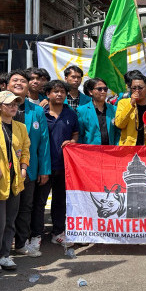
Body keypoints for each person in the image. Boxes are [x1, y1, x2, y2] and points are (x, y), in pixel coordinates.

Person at [0, 69, 50, 258]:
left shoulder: (36, 110)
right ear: (7, 85)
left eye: (23, 80)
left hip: (27, 168)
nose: (20, 83)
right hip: (0, 171)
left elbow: (43, 141)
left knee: (25, 208)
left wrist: (44, 169)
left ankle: (21, 243)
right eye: (15, 80)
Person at [0, 91, 30, 273]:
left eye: (16, 104)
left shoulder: (21, 127)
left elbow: (25, 149)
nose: (13, 107)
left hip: (15, 180)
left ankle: (5, 255)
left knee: (11, 220)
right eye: (9, 104)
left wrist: (24, 167)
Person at [43, 80, 79, 245]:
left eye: (62, 92)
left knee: (60, 200)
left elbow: (75, 134)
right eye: (55, 91)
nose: (59, 94)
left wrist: (72, 141)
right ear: (48, 94)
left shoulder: (70, 114)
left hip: (64, 166)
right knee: (39, 202)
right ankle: (35, 234)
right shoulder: (40, 113)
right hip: (43, 166)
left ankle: (58, 232)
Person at [115, 72, 146, 146]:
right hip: (128, 150)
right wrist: (131, 104)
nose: (137, 91)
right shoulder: (123, 103)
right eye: (134, 88)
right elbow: (119, 124)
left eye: (140, 88)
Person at [77, 78, 120, 145]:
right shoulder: (82, 110)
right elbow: (79, 135)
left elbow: (118, 133)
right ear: (90, 92)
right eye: (99, 89)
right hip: (91, 152)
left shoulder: (114, 109)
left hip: (111, 152)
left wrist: (116, 148)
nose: (103, 92)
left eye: (105, 89)